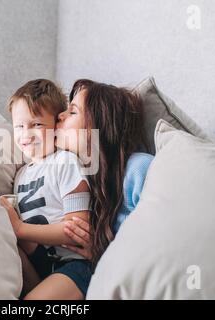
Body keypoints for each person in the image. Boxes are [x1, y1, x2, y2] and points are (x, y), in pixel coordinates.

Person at [0, 79, 93, 300]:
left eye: (37, 125)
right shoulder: (21, 174)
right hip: (40, 267)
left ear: (56, 125)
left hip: (73, 265)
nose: (26, 134)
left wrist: (19, 228)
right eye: (19, 126)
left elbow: (77, 231)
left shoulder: (66, 162)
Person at [55, 79, 155, 266]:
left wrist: (101, 255)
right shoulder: (79, 182)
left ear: (98, 126)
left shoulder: (139, 169)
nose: (60, 115)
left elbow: (164, 239)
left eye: (73, 111)